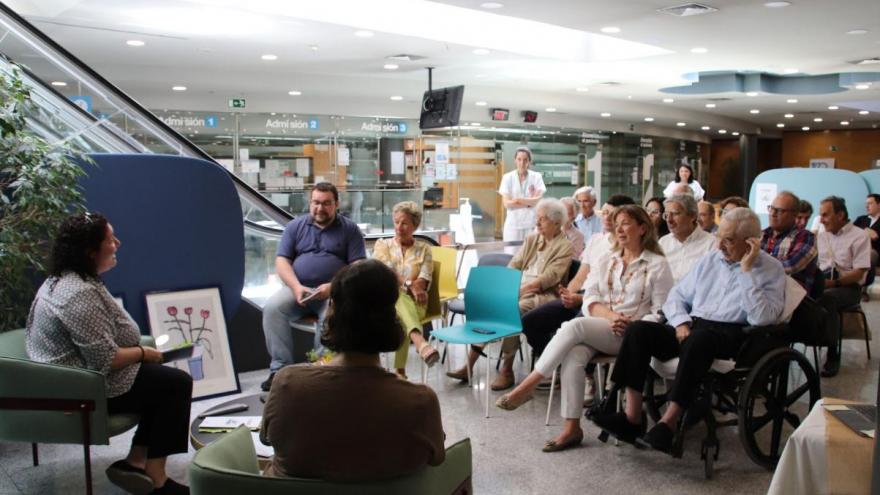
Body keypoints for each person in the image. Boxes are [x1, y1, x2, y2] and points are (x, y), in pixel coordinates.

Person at [592, 207, 786, 453]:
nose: (719, 246)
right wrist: (681, 321)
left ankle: (668, 424)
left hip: (734, 335)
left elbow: (762, 318)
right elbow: (677, 295)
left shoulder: (770, 268)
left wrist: (746, 270)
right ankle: (632, 418)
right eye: (719, 237)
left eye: (727, 240)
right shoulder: (711, 260)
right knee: (639, 330)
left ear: (751, 243)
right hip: (693, 325)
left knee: (700, 339)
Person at [26, 213, 192, 495]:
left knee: (163, 381)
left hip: (78, 374)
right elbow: (105, 360)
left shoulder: (67, 279)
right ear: (90, 251)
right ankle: (156, 476)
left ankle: (137, 461)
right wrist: (142, 353)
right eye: (110, 239)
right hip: (79, 388)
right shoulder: (78, 293)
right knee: (175, 384)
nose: (118, 243)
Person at [495, 206, 673, 453]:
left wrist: (633, 325)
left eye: (626, 223)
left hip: (633, 336)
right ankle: (572, 428)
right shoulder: (608, 259)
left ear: (643, 228)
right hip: (604, 324)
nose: (619, 229)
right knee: (575, 352)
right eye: (616, 223)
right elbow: (590, 298)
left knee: (575, 325)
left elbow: (663, 311)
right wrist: (610, 316)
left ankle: (531, 383)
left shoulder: (657, 264)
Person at [260, 260, 445, 481]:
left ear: (333, 311)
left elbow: (266, 439)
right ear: (392, 317)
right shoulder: (420, 402)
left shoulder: (286, 384)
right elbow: (437, 459)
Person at [447, 198, 573, 391]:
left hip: (544, 295)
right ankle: (469, 366)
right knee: (494, 309)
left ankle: (507, 370)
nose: (537, 223)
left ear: (557, 222)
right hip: (519, 289)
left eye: (542, 219)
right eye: (537, 218)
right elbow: (515, 262)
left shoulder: (565, 246)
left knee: (511, 311)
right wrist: (506, 285)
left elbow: (550, 277)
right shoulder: (533, 238)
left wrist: (519, 291)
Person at [261, 182, 366, 391]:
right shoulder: (295, 227)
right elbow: (282, 262)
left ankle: (321, 368)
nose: (320, 208)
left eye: (326, 203)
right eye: (316, 203)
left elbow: (357, 267)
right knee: (272, 309)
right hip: (297, 289)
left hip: (332, 292)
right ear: (310, 203)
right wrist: (296, 286)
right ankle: (280, 369)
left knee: (331, 312)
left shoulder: (349, 229)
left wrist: (333, 286)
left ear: (336, 204)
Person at [514, 195, 636, 367]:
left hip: (600, 302)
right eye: (605, 212)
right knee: (529, 321)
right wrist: (568, 294)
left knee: (574, 331)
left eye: (613, 214)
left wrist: (580, 299)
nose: (607, 217)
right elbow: (581, 275)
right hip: (579, 296)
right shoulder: (596, 240)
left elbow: (612, 291)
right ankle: (554, 365)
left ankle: (582, 372)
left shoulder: (627, 248)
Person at [372, 201, 439, 378]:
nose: (398, 227)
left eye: (404, 223)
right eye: (396, 222)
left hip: (417, 303)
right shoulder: (382, 245)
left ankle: (401, 371)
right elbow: (386, 273)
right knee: (397, 300)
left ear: (415, 225)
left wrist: (406, 285)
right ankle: (419, 342)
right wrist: (409, 284)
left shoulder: (424, 249)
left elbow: (423, 282)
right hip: (386, 304)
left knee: (399, 303)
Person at [815, 196, 871, 377]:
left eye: (825, 215)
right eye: (820, 215)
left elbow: (859, 273)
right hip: (825, 282)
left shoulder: (859, 236)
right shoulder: (821, 236)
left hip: (849, 287)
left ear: (840, 215)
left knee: (828, 298)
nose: (821, 220)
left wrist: (835, 283)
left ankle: (832, 352)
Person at [761, 191, 818, 292]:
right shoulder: (761, 235)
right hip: (762, 292)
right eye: (771, 208)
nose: (773, 214)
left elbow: (791, 265)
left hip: (791, 299)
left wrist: (755, 264)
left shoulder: (806, 237)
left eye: (780, 211)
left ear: (794, 215)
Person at [658, 194, 717, 283]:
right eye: (666, 215)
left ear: (692, 216)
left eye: (675, 214)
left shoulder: (711, 244)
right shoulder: (664, 242)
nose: (669, 220)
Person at [498, 146, 546, 242]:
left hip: (531, 224)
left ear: (529, 161)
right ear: (515, 160)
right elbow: (507, 204)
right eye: (519, 159)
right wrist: (529, 203)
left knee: (531, 255)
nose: (522, 163)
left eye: (525, 160)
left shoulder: (536, 177)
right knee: (512, 255)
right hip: (513, 225)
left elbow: (537, 201)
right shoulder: (507, 177)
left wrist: (517, 200)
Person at [853, 193, 880, 270]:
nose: (866, 206)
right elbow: (849, 233)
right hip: (857, 250)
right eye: (866, 204)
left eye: (870, 203)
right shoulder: (861, 219)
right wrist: (865, 230)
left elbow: (875, 237)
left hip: (873, 253)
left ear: (879, 205)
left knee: (870, 253)